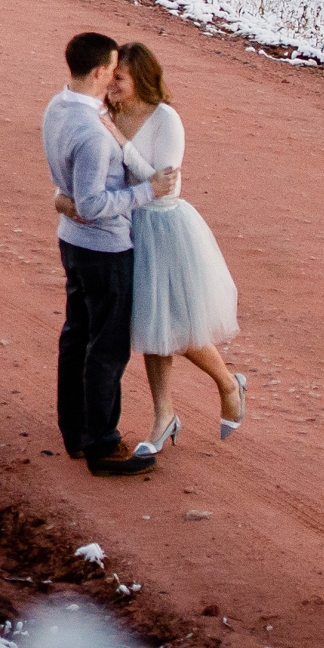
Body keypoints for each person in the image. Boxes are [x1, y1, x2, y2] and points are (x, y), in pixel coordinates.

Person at [42, 29, 173, 477]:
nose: (116, 76)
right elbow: (95, 206)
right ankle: (101, 443)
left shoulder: (57, 107)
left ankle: (75, 432)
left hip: (71, 244)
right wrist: (146, 191)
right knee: (107, 348)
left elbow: (74, 194)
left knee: (76, 334)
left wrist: (64, 200)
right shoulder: (94, 134)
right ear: (100, 71)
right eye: (113, 69)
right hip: (105, 248)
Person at [107, 42, 245, 456]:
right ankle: (163, 415)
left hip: (166, 226)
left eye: (119, 78)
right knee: (152, 327)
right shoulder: (110, 111)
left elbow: (161, 182)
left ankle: (227, 383)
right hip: (130, 226)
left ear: (140, 80)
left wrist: (117, 139)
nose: (110, 84)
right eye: (110, 75)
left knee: (177, 325)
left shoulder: (166, 119)